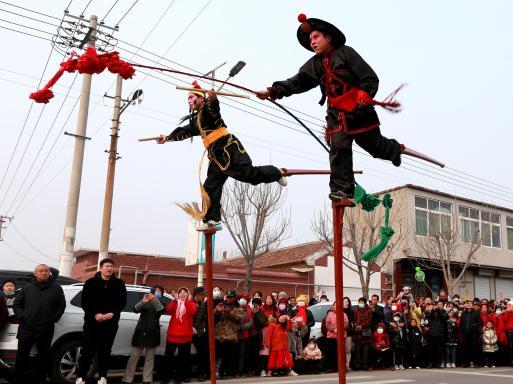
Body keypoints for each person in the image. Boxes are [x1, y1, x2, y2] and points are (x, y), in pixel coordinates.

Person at [257, 13, 411, 202]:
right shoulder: (315, 64)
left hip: (359, 112)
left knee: (374, 146)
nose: (312, 42)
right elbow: (299, 81)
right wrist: (274, 90)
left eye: (316, 37)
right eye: (310, 39)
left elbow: (370, 78)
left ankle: (395, 150)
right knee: (338, 148)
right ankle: (342, 191)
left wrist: (364, 94)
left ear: (328, 37)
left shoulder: (347, 53)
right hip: (336, 115)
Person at [157, 83, 286, 229]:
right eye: (188, 98)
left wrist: (213, 100)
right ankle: (212, 219)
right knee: (210, 187)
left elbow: (214, 110)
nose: (189, 100)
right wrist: (167, 138)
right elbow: (184, 131)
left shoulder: (207, 109)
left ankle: (276, 173)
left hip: (228, 149)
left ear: (201, 99)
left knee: (249, 175)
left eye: (191, 97)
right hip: (216, 156)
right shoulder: (197, 120)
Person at [10, 265, 65, 384]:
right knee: (22, 357)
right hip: (27, 328)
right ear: (35, 274)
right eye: (41, 271)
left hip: (46, 328)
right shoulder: (27, 288)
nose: (44, 273)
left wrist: (54, 318)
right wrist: (22, 317)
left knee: (44, 357)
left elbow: (61, 305)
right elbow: (17, 304)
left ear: (49, 274)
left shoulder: (56, 289)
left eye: (46, 271)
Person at [74, 258, 127, 384]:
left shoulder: (119, 284)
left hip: (110, 323)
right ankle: (81, 378)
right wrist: (95, 315)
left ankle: (102, 378)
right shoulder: (90, 283)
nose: (109, 268)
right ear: (101, 267)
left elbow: (122, 303)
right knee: (87, 351)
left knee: (105, 351)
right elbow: (85, 302)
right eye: (107, 266)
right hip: (92, 323)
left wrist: (112, 314)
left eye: (111, 266)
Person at [123, 290, 164, 384]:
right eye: (155, 292)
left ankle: (147, 379)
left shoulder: (160, 303)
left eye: (159, 293)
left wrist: (154, 300)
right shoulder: (145, 302)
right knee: (134, 357)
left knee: (150, 358)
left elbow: (160, 311)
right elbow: (135, 309)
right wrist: (143, 301)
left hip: (153, 333)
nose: (156, 294)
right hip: (140, 332)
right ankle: (127, 379)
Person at [162, 288, 197, 384]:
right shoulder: (175, 302)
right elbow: (169, 310)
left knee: (183, 358)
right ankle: (165, 377)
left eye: (184, 292)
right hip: (172, 334)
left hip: (185, 336)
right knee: (168, 357)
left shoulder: (191, 303)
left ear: (188, 294)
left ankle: (180, 377)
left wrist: (188, 301)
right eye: (180, 292)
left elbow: (193, 311)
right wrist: (174, 300)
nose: (182, 294)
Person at [214, 291, 242, 379]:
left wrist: (229, 312)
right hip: (219, 334)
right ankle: (216, 372)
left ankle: (224, 372)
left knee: (228, 356)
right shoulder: (221, 304)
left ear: (234, 298)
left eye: (231, 297)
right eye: (228, 297)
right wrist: (218, 311)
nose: (229, 299)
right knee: (218, 355)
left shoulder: (238, 307)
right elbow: (213, 316)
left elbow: (239, 318)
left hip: (231, 336)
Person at [191, 287, 210, 381]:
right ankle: (199, 372)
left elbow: (203, 318)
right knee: (200, 352)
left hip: (200, 332)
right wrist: (191, 326)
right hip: (190, 331)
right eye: (202, 295)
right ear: (197, 295)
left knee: (204, 352)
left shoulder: (203, 304)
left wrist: (201, 328)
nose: (203, 297)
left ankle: (202, 373)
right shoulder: (190, 302)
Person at [352, 297, 373, 370]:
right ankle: (357, 365)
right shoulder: (355, 310)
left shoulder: (369, 310)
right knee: (357, 351)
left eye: (361, 302)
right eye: (359, 302)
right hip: (357, 333)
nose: (360, 303)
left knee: (365, 351)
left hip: (366, 333)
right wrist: (356, 325)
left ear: (365, 302)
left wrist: (361, 326)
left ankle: (365, 365)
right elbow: (353, 320)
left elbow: (369, 321)